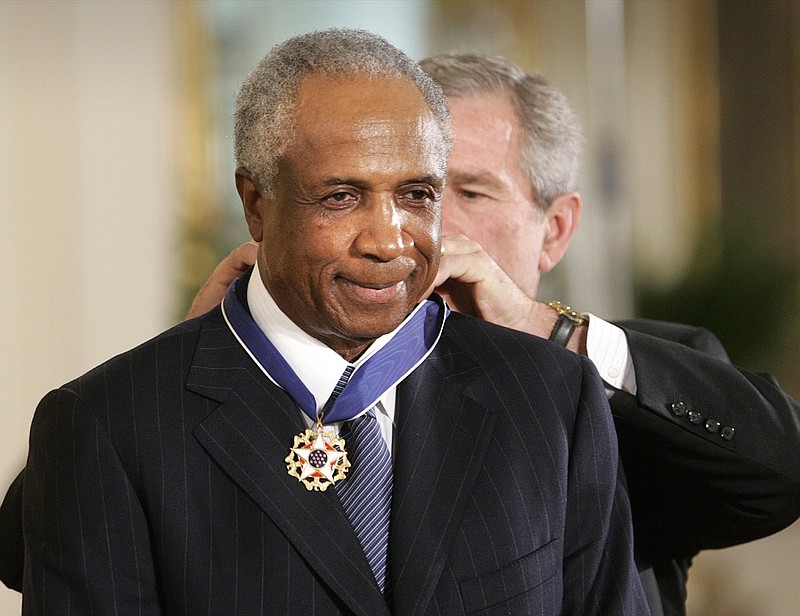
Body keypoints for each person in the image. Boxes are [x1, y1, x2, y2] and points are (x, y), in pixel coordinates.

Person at [13, 30, 648, 615]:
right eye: (342, 197)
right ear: (256, 203)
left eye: (416, 195)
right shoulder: (110, 425)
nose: (388, 241)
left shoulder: (551, 399)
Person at [159, 52, 800, 616]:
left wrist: (540, 329)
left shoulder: (597, 390)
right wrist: (208, 367)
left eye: (468, 191)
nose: (425, 229)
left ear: (555, 230)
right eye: (413, 187)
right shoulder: (265, 376)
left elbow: (781, 473)